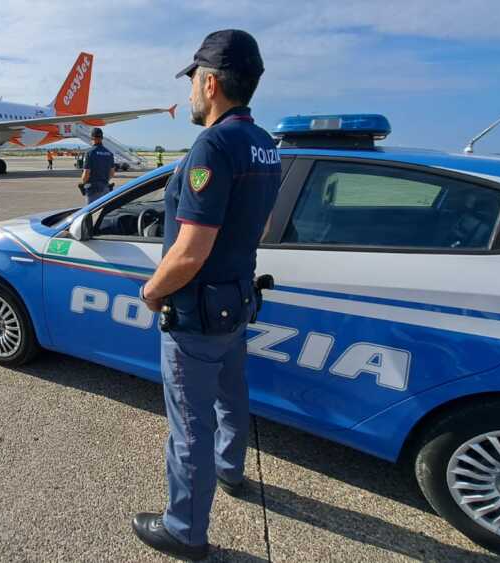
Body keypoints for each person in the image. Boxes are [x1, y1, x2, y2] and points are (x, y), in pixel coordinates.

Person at [131, 29, 281, 561]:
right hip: (238, 302)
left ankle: (183, 530)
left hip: (196, 313)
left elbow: (190, 252)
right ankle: (231, 469)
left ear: (210, 82)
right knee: (231, 394)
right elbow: (257, 229)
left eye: (194, 80)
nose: (192, 91)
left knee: (188, 424)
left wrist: (151, 290)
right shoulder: (265, 144)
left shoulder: (212, 145)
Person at [79, 128, 115, 203]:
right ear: (102, 138)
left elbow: (86, 173)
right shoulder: (109, 153)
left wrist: (83, 183)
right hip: (105, 188)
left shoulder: (90, 153)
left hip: (93, 189)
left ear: (92, 138)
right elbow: (112, 173)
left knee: (91, 212)